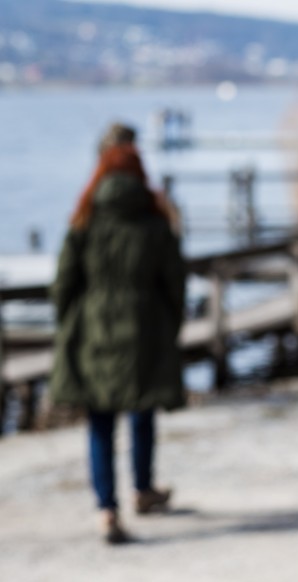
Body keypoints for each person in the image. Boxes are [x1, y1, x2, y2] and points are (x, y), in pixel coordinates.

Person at [50, 122, 187, 544]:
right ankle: (142, 489)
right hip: (144, 330)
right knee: (142, 412)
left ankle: (106, 509)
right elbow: (175, 282)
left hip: (93, 331)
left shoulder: (84, 217)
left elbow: (63, 284)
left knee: (99, 422)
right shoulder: (155, 219)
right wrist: (169, 324)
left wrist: (72, 324)